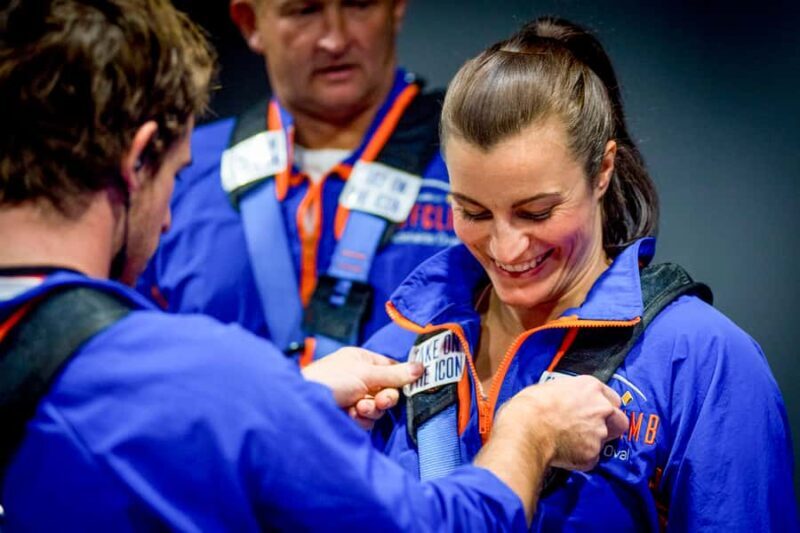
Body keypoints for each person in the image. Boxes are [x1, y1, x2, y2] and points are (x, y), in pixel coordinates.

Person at [0, 1, 630, 529]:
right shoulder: (201, 373)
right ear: (138, 162)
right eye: (176, 176)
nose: (169, 219)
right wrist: (529, 433)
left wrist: (285, 398)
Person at [365, 17, 798, 531]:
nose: (506, 247)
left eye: (537, 212)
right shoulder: (396, 353)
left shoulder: (702, 363)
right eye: (473, 212)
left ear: (602, 170)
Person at [136, 0, 459, 363]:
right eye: (305, 11)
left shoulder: (471, 162)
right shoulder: (176, 171)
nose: (335, 40)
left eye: (359, 5)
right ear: (250, 23)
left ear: (396, 8)